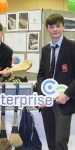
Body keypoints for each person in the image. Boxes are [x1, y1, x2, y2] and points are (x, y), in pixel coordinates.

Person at [37, 13, 75, 150]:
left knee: (60, 142)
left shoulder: (72, 46)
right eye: (51, 26)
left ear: (63, 27)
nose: (55, 30)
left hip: (64, 101)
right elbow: (41, 75)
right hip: (47, 102)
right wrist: (41, 96)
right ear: (47, 28)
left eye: (58, 26)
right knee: (51, 141)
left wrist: (67, 94)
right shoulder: (45, 50)